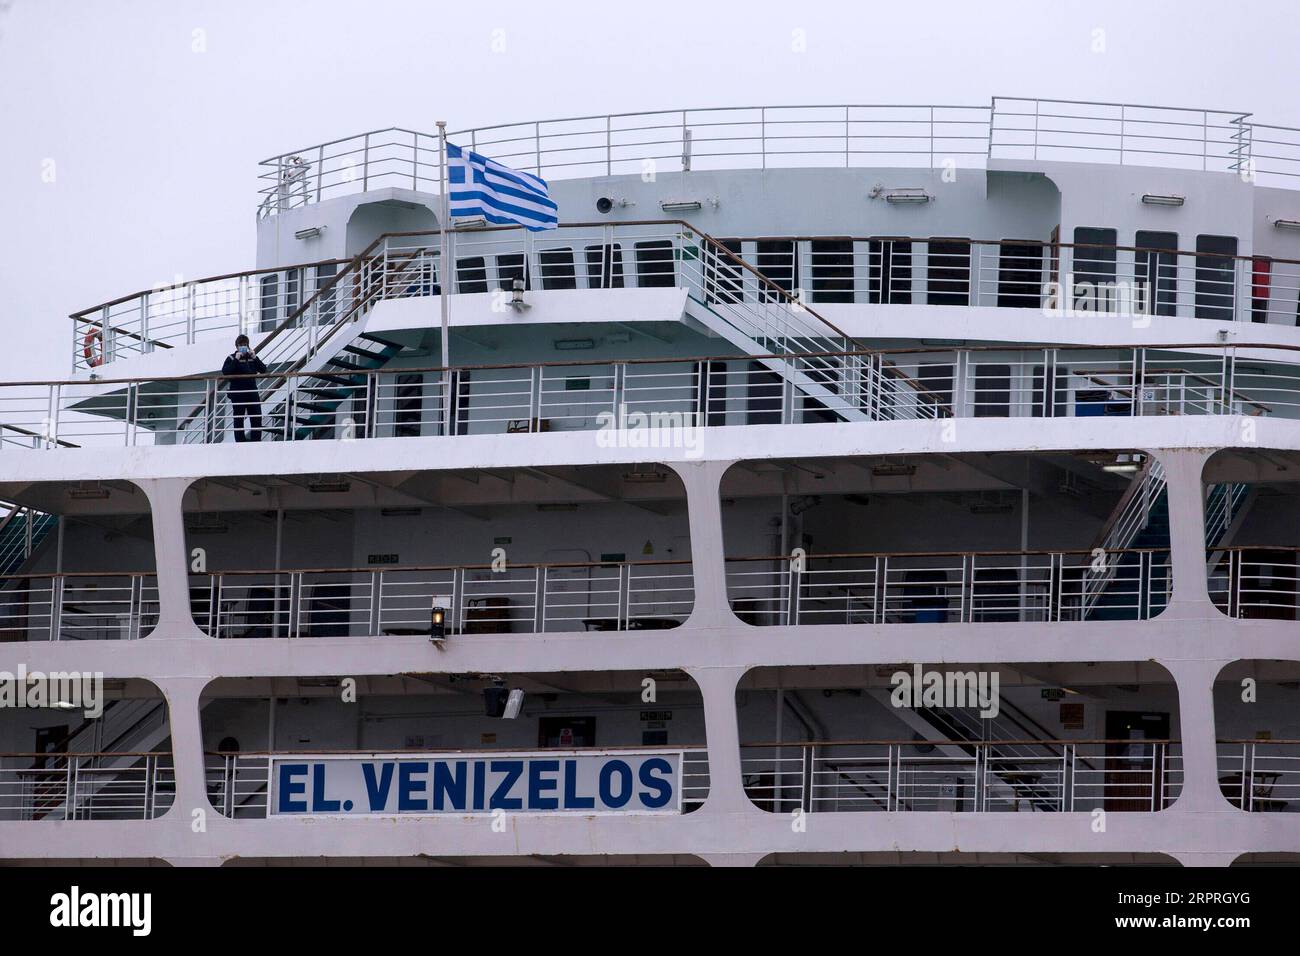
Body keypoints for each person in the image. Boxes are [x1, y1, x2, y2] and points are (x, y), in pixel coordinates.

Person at [221, 335, 267, 442]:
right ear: (237, 347)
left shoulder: (252, 357)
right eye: (241, 345)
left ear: (248, 345)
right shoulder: (231, 358)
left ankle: (256, 439)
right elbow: (226, 372)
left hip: (251, 392)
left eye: (245, 345)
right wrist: (236, 359)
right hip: (238, 393)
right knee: (238, 417)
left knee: (256, 416)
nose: (243, 347)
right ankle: (240, 440)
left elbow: (263, 369)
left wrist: (255, 358)